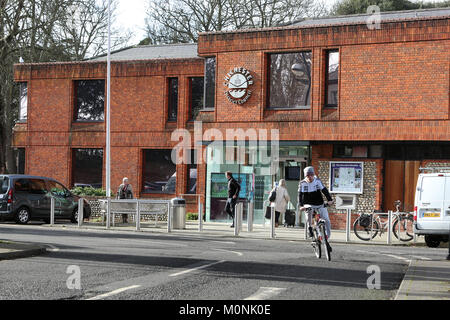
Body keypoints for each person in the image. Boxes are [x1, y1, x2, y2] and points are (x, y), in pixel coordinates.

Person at [298, 166, 334, 249]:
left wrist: (330, 200)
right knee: (309, 210)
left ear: (313, 174)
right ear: (305, 176)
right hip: (308, 203)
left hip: (319, 203)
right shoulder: (302, 183)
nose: (310, 177)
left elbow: (324, 190)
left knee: (327, 220)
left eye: (311, 175)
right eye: (308, 175)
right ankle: (309, 228)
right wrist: (301, 206)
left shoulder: (317, 181)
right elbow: (300, 196)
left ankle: (326, 240)